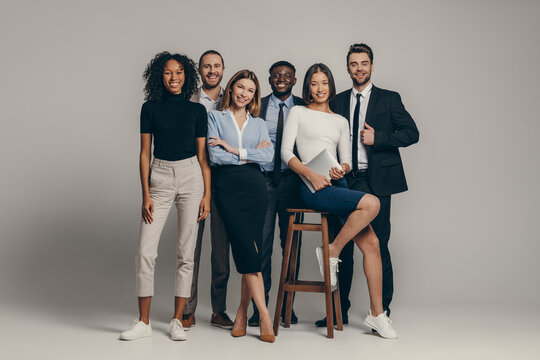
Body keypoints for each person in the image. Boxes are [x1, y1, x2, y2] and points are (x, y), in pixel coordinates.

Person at [280, 63, 398, 339]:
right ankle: (332, 252)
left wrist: (341, 169)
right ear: (307, 87)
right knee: (372, 204)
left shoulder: (340, 121)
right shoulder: (298, 112)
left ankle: (377, 315)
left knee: (372, 244)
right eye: (314, 83)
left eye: (324, 83)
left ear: (330, 86)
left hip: (337, 183)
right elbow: (286, 152)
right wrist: (311, 174)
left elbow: (346, 158)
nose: (319, 89)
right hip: (311, 186)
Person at [315, 43, 419, 328]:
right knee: (344, 244)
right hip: (344, 180)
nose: (359, 68)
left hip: (377, 181)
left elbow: (412, 133)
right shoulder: (336, 102)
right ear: (347, 67)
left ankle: (381, 311)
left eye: (364, 63)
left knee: (378, 244)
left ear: (372, 66)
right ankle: (338, 311)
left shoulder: (388, 99)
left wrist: (381, 137)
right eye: (353, 64)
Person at [119, 51, 211, 341]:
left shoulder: (197, 111)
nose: (175, 77)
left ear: (187, 76)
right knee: (145, 252)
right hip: (158, 176)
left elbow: (203, 157)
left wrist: (206, 194)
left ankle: (176, 320)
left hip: (191, 176)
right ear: (160, 76)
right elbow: (145, 153)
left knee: (186, 253)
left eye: (180, 72)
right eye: (169, 73)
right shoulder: (150, 108)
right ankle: (143, 322)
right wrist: (145, 193)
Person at [207, 70, 276, 343]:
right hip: (227, 188)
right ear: (232, 88)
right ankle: (264, 314)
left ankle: (241, 313)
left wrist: (235, 151)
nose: (244, 93)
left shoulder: (258, 123)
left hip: (255, 188)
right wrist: (250, 156)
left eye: (250, 90)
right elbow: (214, 155)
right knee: (247, 250)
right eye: (240, 87)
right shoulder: (214, 117)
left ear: (254, 96)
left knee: (252, 250)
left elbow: (268, 157)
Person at [247, 61, 304, 327]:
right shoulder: (258, 105)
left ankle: (287, 307)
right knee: (262, 246)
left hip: (293, 182)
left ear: (294, 81)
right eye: (277, 75)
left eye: (287, 76)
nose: (282, 79)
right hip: (264, 182)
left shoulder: (304, 107)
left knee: (292, 247)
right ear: (269, 79)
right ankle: (261, 309)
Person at [183, 50, 234, 331]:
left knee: (220, 250)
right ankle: (187, 309)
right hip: (194, 178)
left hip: (225, 180)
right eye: (206, 66)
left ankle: (218, 310)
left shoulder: (235, 96)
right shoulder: (188, 99)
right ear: (200, 70)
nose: (212, 70)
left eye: (216, 66)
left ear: (224, 68)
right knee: (190, 247)